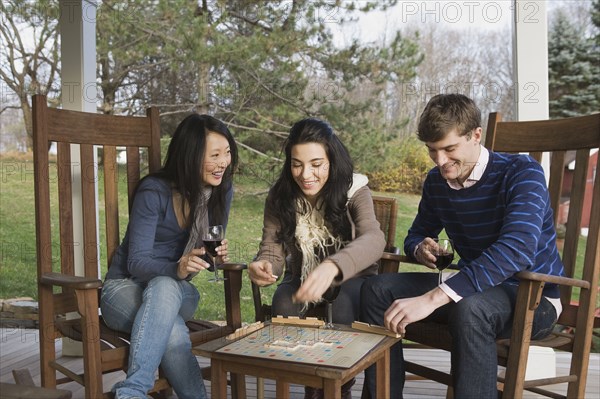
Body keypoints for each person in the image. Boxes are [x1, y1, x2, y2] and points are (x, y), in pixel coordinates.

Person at [361, 93, 565, 398]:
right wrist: (420, 248)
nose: (440, 161)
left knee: (470, 308)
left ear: (476, 135)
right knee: (377, 290)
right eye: (432, 151)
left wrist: (432, 299)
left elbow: (517, 249)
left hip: (533, 298)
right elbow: (415, 234)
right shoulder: (436, 182)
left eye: (449, 149)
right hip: (470, 289)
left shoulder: (522, 173)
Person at [100, 114, 238, 399]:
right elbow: (135, 262)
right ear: (190, 156)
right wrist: (177, 268)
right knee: (173, 331)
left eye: (227, 153)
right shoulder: (154, 192)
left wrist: (216, 258)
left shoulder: (220, 191)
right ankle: (137, 392)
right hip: (123, 288)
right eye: (215, 155)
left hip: (176, 293)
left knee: (164, 288)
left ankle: (130, 391)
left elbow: (205, 258)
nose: (224, 162)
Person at [248, 118, 386, 399]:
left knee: (342, 302)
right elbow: (271, 248)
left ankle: (338, 388)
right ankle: (313, 386)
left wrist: (333, 267)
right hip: (301, 277)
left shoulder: (354, 189)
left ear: (332, 160)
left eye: (316, 164)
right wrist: (264, 265)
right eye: (296, 164)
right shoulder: (280, 196)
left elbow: (374, 239)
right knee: (284, 301)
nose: (305, 174)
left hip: (352, 280)